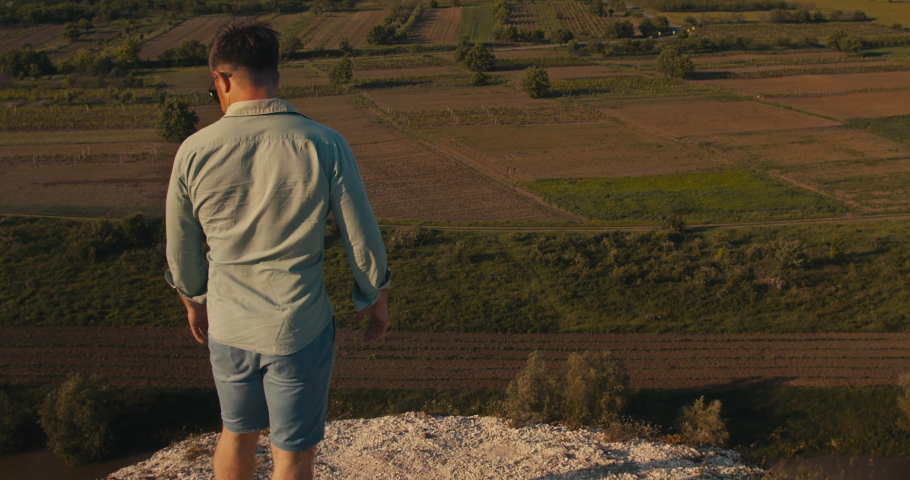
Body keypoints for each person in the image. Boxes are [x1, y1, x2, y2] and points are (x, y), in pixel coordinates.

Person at [164, 19, 390, 480]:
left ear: (222, 80)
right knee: (292, 452)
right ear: (276, 76)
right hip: (298, 327)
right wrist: (374, 298)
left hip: (228, 325)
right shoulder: (323, 142)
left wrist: (195, 302)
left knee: (236, 433)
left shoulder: (193, 150)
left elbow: (182, 245)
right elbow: (360, 235)